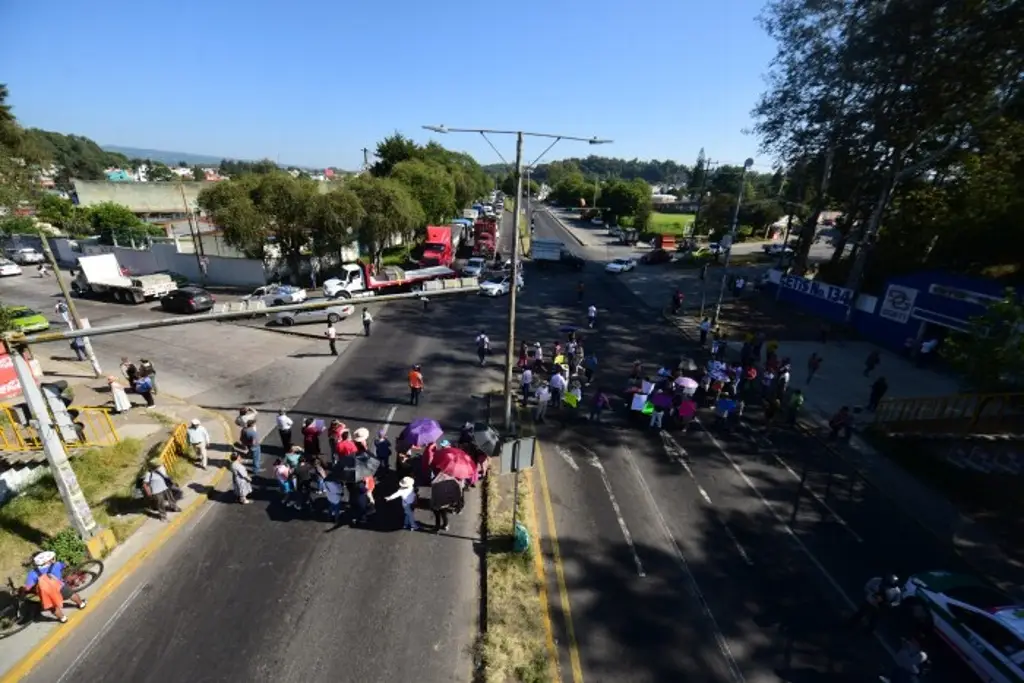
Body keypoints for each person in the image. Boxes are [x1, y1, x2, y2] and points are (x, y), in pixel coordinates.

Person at [21, 551, 86, 624]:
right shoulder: (56, 564)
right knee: (71, 595)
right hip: (60, 587)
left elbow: (27, 588)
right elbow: (64, 565)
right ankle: (81, 604)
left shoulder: (32, 573)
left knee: (53, 608)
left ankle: (63, 619)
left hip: (48, 594)